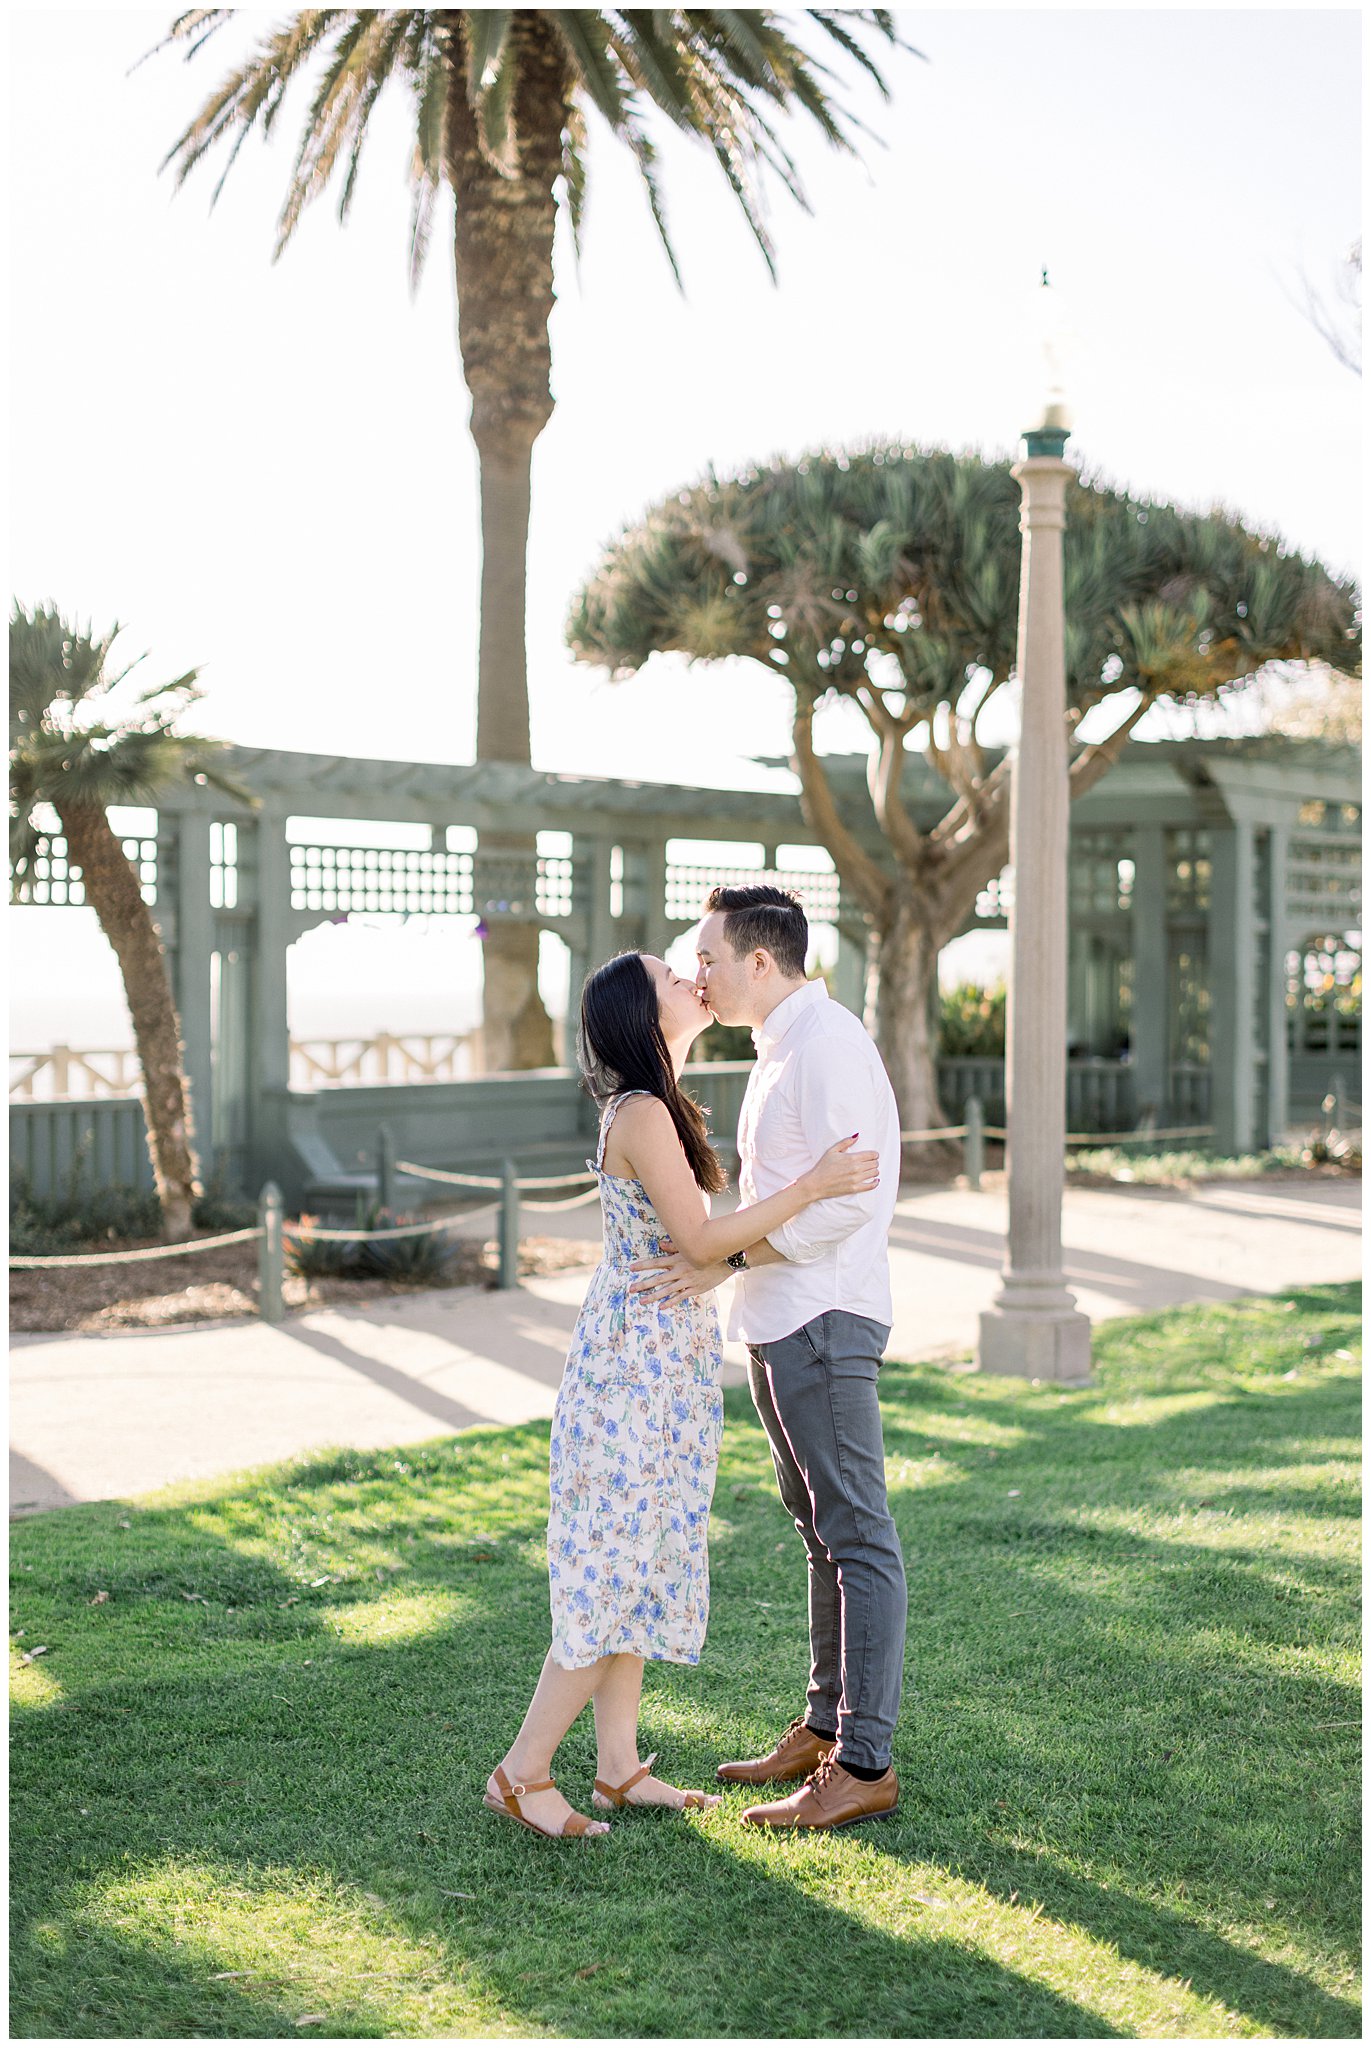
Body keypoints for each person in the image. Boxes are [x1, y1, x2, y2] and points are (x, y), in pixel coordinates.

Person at [484, 947, 880, 1842]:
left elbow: (699, 1245)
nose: (690, 979)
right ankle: (520, 1773)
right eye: (672, 976)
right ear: (640, 1013)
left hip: (658, 1362)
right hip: (631, 1369)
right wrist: (812, 1185)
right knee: (610, 1570)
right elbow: (700, 1241)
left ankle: (619, 1770)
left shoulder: (658, 1106)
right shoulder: (644, 1113)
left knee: (642, 1562)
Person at [632, 884, 907, 1832]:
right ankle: (825, 1726)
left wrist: (731, 1257)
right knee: (817, 1527)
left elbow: (846, 1202)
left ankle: (863, 1761)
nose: (697, 973)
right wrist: (736, 1269)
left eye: (707, 957)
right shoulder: (782, 1049)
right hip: (779, 1317)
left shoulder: (827, 1047)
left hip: (823, 1320)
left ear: (759, 960)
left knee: (856, 1534)